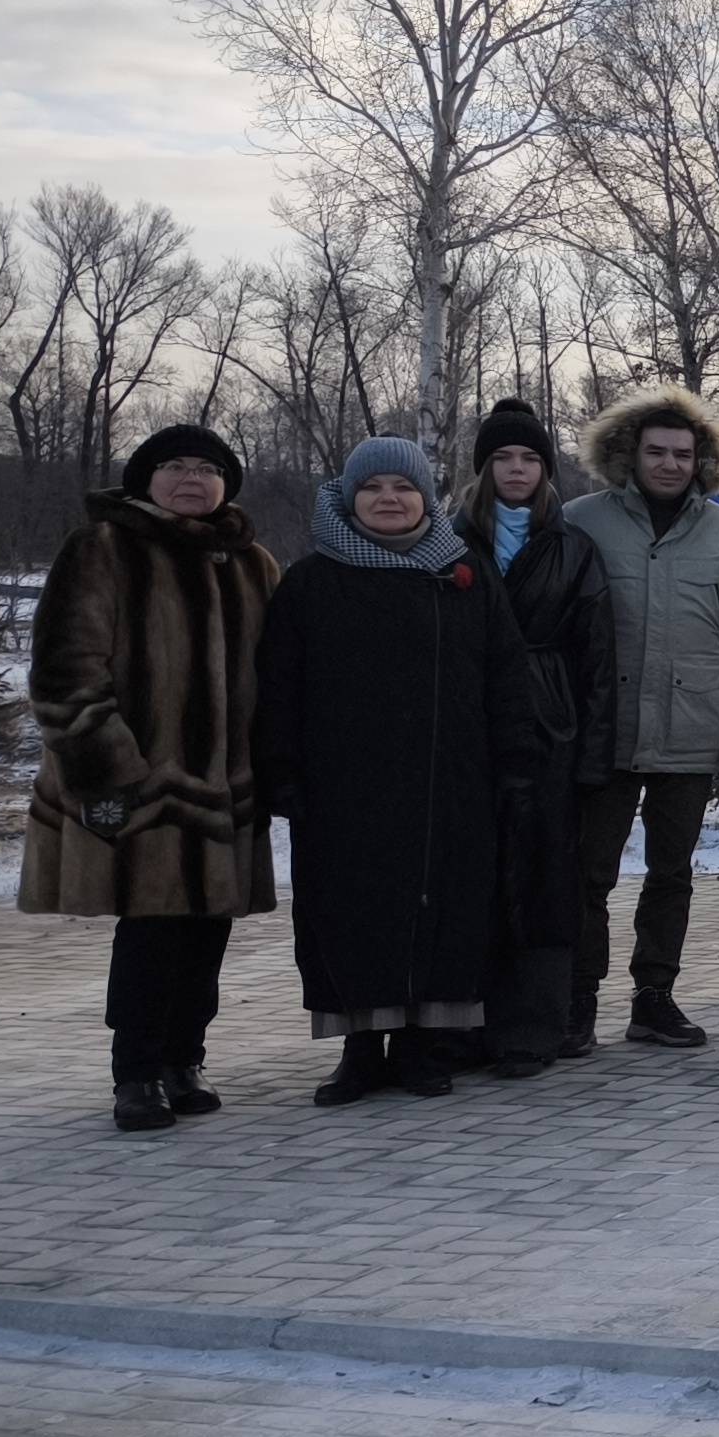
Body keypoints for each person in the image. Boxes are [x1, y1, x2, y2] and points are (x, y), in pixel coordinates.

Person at [259, 438, 540, 1106]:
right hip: (344, 790)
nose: (389, 498)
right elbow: (278, 685)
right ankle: (360, 1050)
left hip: (451, 784)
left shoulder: (463, 573)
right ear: (349, 498)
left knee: (443, 911)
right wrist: (281, 770)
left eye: (404, 487)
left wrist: (516, 762)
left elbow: (505, 673)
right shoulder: (312, 581)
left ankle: (422, 1046)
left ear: (426, 499)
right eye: (373, 487)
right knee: (349, 914)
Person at [26, 424, 275, 1131]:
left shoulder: (252, 562)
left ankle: (184, 1059)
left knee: (208, 930)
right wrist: (110, 771)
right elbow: (65, 674)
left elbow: (281, 672)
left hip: (225, 788)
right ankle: (135, 1072)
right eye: (174, 467)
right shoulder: (102, 549)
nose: (192, 479)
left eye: (206, 468)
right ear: (145, 480)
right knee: (151, 929)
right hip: (138, 782)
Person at [569, 387, 719, 1053]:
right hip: (605, 730)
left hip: (692, 725)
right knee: (588, 872)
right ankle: (578, 997)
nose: (670, 464)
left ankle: (654, 997)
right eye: (656, 452)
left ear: (701, 460)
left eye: (682, 454)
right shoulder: (582, 521)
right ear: (630, 454)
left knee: (671, 873)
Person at [459, 398, 617, 1074]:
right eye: (503, 457)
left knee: (547, 879)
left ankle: (533, 1026)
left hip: (553, 727)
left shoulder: (572, 548)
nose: (517, 469)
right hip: (470, 727)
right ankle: (464, 1025)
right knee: (475, 876)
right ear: (483, 468)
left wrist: (594, 754)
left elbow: (599, 660)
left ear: (546, 470)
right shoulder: (451, 542)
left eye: (529, 458)